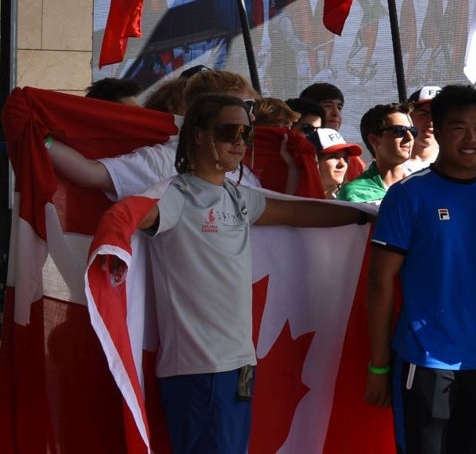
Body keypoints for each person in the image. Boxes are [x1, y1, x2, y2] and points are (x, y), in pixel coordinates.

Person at [89, 93, 368, 453]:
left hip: (241, 365)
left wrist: (365, 216)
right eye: (229, 132)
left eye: (246, 134)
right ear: (199, 135)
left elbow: (299, 214)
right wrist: (112, 240)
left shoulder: (237, 197)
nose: (239, 143)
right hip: (196, 369)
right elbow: (129, 212)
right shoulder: (175, 195)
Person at [365, 85, 476, 454]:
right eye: (459, 127)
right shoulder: (407, 195)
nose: (471, 139)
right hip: (424, 362)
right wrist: (380, 366)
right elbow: (380, 281)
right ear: (435, 128)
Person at [47, 69, 262, 196]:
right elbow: (91, 174)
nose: (252, 117)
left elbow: (282, 217)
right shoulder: (164, 160)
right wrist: (42, 139)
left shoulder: (242, 171)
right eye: (248, 106)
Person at [337, 103, 417, 203]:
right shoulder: (354, 193)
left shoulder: (420, 188)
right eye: (399, 131)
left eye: (413, 131)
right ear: (374, 140)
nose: (410, 137)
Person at [307, 127, 363, 199]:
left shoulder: (352, 200)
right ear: (314, 160)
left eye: (345, 158)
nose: (342, 164)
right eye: (334, 157)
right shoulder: (294, 198)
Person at [407, 84, 443, 172]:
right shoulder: (391, 163)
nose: (431, 122)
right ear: (409, 117)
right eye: (424, 114)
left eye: (438, 115)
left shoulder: (455, 163)